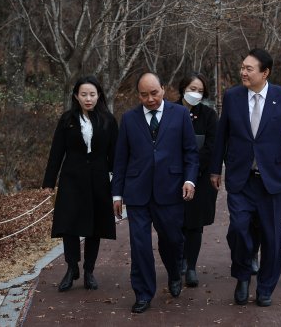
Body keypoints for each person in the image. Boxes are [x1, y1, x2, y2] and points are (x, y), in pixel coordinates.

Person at [210, 48, 281, 308]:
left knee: (272, 237)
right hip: (240, 179)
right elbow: (222, 135)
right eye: (242, 67)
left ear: (265, 73)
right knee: (239, 229)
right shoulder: (232, 97)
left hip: (272, 181)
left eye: (249, 69)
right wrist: (214, 169)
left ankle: (265, 287)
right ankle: (243, 276)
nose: (243, 72)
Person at [111, 73, 199, 314]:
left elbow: (191, 152)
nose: (149, 99)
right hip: (137, 192)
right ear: (137, 94)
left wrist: (189, 180)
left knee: (172, 240)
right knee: (140, 245)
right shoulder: (129, 119)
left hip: (170, 191)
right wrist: (116, 195)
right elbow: (121, 159)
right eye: (143, 94)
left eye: (154, 93)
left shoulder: (180, 114)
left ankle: (173, 272)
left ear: (163, 89)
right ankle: (143, 293)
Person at [42, 75, 118, 293]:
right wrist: (49, 181)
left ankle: (89, 270)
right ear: (76, 96)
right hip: (71, 179)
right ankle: (71, 267)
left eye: (92, 94)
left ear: (99, 96)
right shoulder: (67, 119)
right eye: (83, 94)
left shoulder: (108, 120)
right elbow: (56, 152)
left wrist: (118, 185)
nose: (88, 99)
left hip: (99, 180)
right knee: (69, 226)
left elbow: (115, 155)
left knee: (95, 227)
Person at [175, 72, 218, 288]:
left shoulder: (209, 115)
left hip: (200, 178)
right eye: (192, 89)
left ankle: (190, 265)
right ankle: (177, 260)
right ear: (183, 88)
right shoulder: (170, 111)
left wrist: (193, 170)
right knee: (176, 221)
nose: (196, 94)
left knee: (195, 224)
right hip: (173, 175)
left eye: (200, 90)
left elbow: (211, 146)